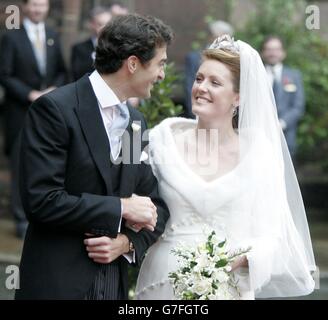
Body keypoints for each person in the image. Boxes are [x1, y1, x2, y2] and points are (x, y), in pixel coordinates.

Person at [135, 35, 316, 300]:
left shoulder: (259, 152)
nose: (201, 87)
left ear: (238, 98)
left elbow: (274, 234)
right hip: (162, 284)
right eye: (199, 79)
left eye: (215, 82)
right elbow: (137, 205)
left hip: (229, 287)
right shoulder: (161, 142)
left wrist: (243, 259)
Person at [15, 13, 172, 300]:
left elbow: (155, 206)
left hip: (113, 285)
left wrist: (127, 243)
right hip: (57, 284)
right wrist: (120, 208)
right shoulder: (55, 110)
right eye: (160, 63)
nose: (162, 74)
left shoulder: (136, 123)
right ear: (133, 63)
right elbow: (41, 201)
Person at [0, 0, 67, 239]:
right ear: (26, 7)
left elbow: (61, 69)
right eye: (34, 5)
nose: (38, 9)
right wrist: (30, 94)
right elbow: (4, 74)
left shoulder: (52, 34)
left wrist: (52, 90)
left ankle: (37, 216)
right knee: (19, 163)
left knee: (42, 162)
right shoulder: (11, 37)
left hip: (47, 112)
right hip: (19, 110)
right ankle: (20, 218)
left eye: (42, 5)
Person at [261, 36, 305, 156]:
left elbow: (298, 106)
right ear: (263, 52)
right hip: (260, 135)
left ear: (283, 53)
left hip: (286, 136)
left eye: (276, 49)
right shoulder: (257, 75)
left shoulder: (294, 76)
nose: (272, 53)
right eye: (269, 49)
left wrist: (282, 123)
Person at [184, 20, 234, 119]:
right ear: (211, 36)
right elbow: (189, 86)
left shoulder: (233, 60)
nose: (225, 42)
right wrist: (195, 114)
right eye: (222, 37)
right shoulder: (194, 58)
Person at [71, 6, 112, 81]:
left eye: (108, 24)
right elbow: (77, 75)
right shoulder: (79, 49)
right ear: (92, 24)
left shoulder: (117, 47)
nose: (105, 28)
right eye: (100, 24)